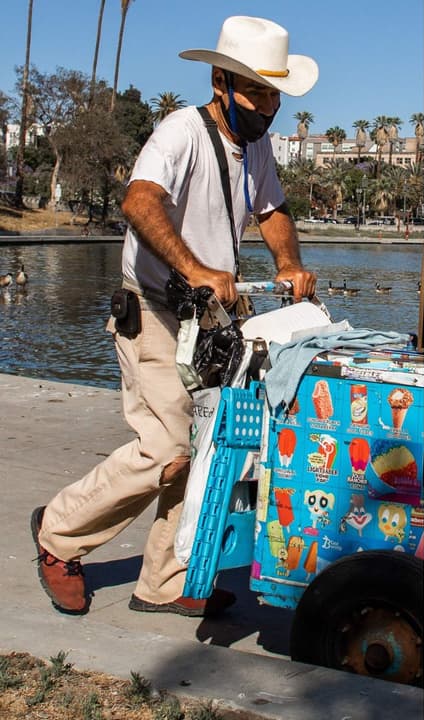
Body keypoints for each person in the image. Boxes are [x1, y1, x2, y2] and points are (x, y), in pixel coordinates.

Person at [31, 16, 319, 617]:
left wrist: (289, 263)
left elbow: (273, 210)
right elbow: (139, 201)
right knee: (166, 448)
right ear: (220, 82)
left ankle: (164, 579)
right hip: (156, 309)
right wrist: (195, 267)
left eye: (274, 94)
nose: (269, 107)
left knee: (206, 442)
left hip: (211, 321)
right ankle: (59, 535)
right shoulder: (179, 132)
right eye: (258, 92)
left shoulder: (257, 146)